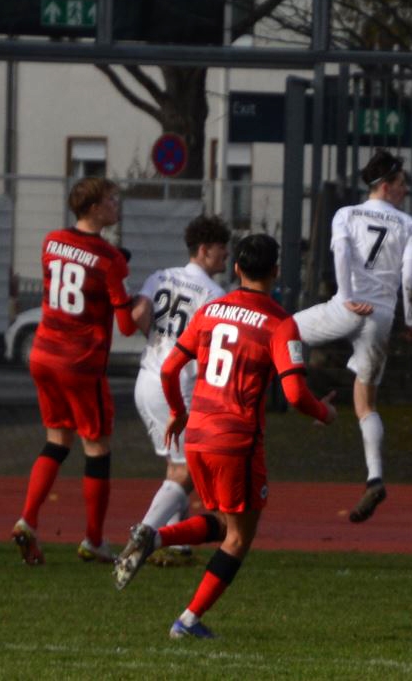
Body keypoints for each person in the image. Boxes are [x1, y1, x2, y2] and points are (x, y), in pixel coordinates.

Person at [112, 234, 337, 639]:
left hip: (198, 433)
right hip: (236, 439)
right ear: (275, 271)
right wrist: (324, 412)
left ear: (237, 269)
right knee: (239, 537)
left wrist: (178, 413)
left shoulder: (211, 310)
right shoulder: (280, 323)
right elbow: (294, 394)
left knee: (222, 522)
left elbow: (169, 369)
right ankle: (187, 621)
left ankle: (154, 536)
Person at [11, 176, 137, 565]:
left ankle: (28, 519)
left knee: (57, 440)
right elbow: (126, 325)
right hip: (80, 362)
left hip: (44, 354)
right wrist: (141, 303)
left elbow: (75, 268)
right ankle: (94, 540)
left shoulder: (51, 241)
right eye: (111, 200)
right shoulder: (110, 259)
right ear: (94, 208)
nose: (116, 205)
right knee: (97, 447)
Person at [296, 150, 412, 523]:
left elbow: (340, 251)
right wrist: (410, 319)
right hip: (381, 316)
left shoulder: (346, 214)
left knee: (281, 332)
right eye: (401, 183)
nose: (405, 190)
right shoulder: (408, 225)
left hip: (346, 306)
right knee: (367, 404)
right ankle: (375, 477)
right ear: (386, 185)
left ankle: (307, 401)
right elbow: (410, 276)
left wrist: (347, 297)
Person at [126, 215, 231, 566]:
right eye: (221, 248)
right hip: (176, 386)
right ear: (204, 249)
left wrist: (159, 340)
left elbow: (138, 313)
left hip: (146, 378)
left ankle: (176, 542)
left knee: (176, 465)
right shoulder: (214, 294)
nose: (226, 254)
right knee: (186, 473)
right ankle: (144, 536)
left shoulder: (159, 276)